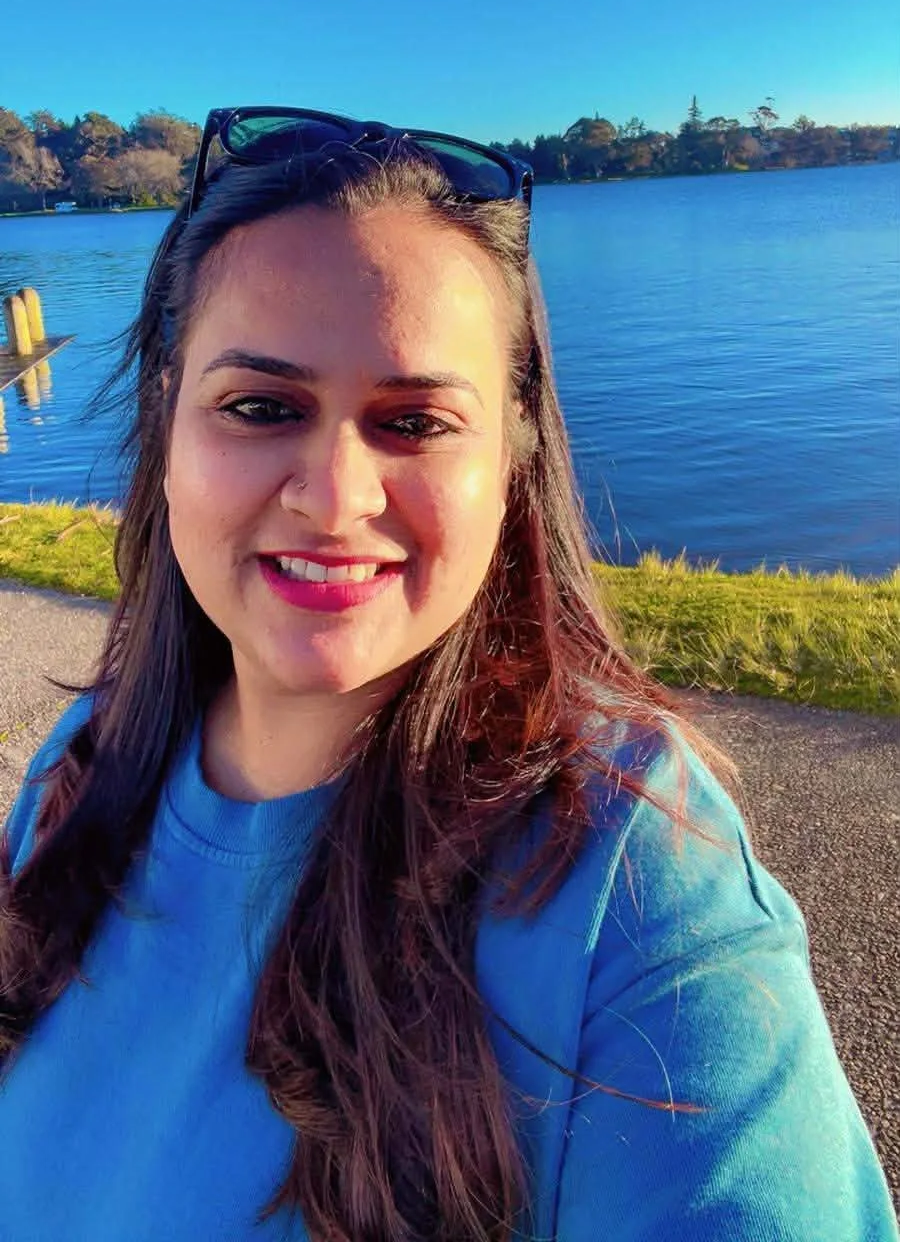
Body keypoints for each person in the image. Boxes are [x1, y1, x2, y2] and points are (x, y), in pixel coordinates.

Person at [0, 105, 896, 1242]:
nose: (334, 497)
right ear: (165, 419)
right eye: (261, 407)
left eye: (414, 420)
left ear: (513, 461)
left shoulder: (629, 880)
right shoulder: (81, 775)